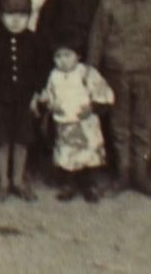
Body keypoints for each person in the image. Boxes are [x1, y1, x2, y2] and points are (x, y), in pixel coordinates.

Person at [87, 0, 151, 196]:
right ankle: (122, 173)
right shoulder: (108, 3)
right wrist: (93, 70)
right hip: (116, 73)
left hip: (146, 73)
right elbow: (97, 37)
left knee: (144, 125)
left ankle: (141, 174)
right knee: (119, 124)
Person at [0, 0, 48, 202]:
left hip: (24, 99)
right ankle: (3, 181)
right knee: (1, 139)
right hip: (1, 98)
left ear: (29, 18)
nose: (14, 21)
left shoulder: (35, 41)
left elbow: (41, 70)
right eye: (9, 15)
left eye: (21, 16)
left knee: (22, 139)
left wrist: (36, 94)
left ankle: (19, 180)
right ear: (1, 17)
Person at [36, 42, 115, 203]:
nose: (63, 61)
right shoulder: (54, 75)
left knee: (88, 155)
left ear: (78, 56)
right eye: (58, 57)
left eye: (67, 55)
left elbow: (103, 92)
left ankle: (89, 185)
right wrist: (50, 105)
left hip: (85, 122)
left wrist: (92, 107)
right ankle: (69, 185)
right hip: (65, 123)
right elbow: (48, 95)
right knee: (67, 154)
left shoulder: (86, 73)